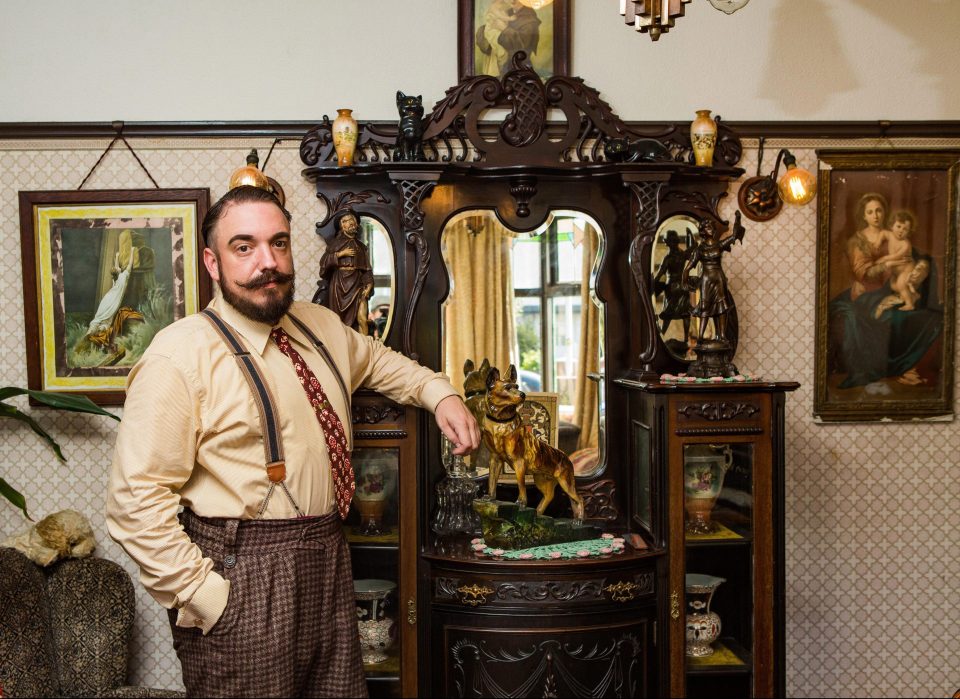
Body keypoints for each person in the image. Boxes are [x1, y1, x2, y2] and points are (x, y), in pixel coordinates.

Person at [106, 185, 479, 698]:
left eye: (278, 243)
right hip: (243, 572)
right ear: (213, 263)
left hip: (327, 556)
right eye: (245, 247)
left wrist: (440, 395)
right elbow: (134, 503)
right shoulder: (178, 357)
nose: (269, 262)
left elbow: (378, 361)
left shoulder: (318, 324)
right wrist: (207, 597)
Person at [828, 192, 942, 388]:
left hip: (894, 288)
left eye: (879, 210)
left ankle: (912, 368)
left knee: (929, 316)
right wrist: (890, 264)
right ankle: (896, 367)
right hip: (868, 294)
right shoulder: (857, 241)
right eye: (870, 212)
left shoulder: (893, 232)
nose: (875, 215)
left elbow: (910, 255)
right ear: (863, 216)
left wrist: (922, 265)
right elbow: (864, 273)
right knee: (894, 318)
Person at [681, 214, 745, 346]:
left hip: (719, 278)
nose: (711, 229)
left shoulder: (719, 245)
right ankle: (700, 337)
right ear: (703, 231)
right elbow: (687, 268)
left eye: (711, 227)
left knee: (721, 305)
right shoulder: (699, 250)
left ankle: (721, 335)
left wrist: (737, 220)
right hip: (706, 280)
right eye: (708, 227)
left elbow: (733, 237)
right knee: (705, 306)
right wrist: (685, 282)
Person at [317, 207, 375, 335]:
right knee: (339, 320)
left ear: (356, 223)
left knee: (362, 319)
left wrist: (369, 285)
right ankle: (343, 344)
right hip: (339, 284)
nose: (349, 223)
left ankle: (364, 347)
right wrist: (339, 254)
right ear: (342, 226)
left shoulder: (361, 247)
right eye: (345, 221)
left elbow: (367, 269)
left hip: (357, 284)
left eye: (351, 220)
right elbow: (324, 263)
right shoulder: (335, 244)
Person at [873, 210, 929, 314]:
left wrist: (884, 259)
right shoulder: (889, 234)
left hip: (907, 269)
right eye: (898, 226)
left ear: (909, 232)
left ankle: (909, 304)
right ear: (892, 226)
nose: (901, 231)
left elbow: (896, 256)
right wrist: (878, 242)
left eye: (905, 229)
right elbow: (882, 233)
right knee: (893, 286)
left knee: (901, 284)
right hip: (896, 271)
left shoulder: (905, 244)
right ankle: (914, 295)